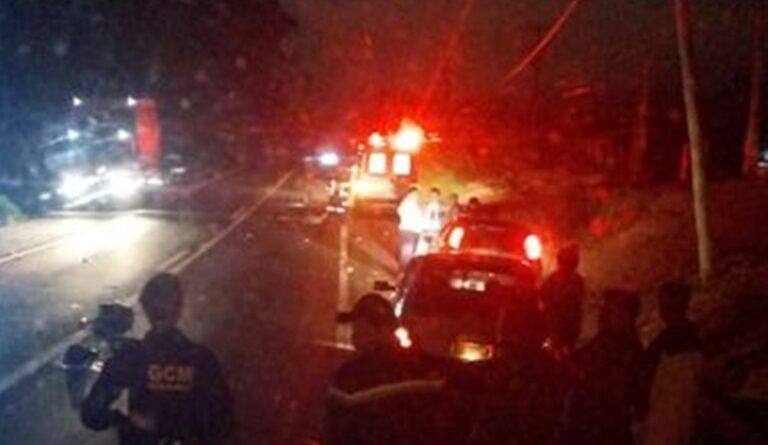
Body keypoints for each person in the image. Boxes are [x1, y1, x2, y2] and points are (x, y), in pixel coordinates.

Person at [81, 273, 233, 445]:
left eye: (161, 305)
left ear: (145, 308)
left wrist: (127, 421)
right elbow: (223, 421)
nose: (160, 310)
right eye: (158, 305)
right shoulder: (199, 358)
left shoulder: (130, 356)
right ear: (180, 308)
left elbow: (92, 414)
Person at [326, 294, 465, 445]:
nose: (354, 336)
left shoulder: (351, 375)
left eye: (359, 328)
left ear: (382, 330)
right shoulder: (423, 370)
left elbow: (338, 429)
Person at [557, 289, 646, 445]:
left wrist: (582, 375)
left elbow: (618, 393)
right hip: (586, 426)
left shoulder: (629, 351)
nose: (603, 315)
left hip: (606, 430)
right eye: (604, 310)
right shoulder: (605, 340)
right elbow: (583, 356)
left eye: (610, 311)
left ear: (625, 316)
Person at [643, 280, 703, 445]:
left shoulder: (664, 344)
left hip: (662, 422)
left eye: (663, 302)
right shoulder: (696, 340)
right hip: (685, 422)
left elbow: (646, 377)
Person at [540, 244, 587, 355]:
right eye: (567, 261)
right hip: (556, 326)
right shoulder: (553, 281)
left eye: (571, 261)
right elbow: (545, 300)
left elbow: (579, 303)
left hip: (569, 327)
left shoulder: (577, 281)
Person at [397, 187, 422, 267]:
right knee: (408, 250)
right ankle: (405, 267)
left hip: (406, 229)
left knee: (407, 249)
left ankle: (404, 266)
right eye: (416, 193)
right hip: (411, 229)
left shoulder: (405, 202)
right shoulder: (413, 203)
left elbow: (399, 211)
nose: (417, 195)